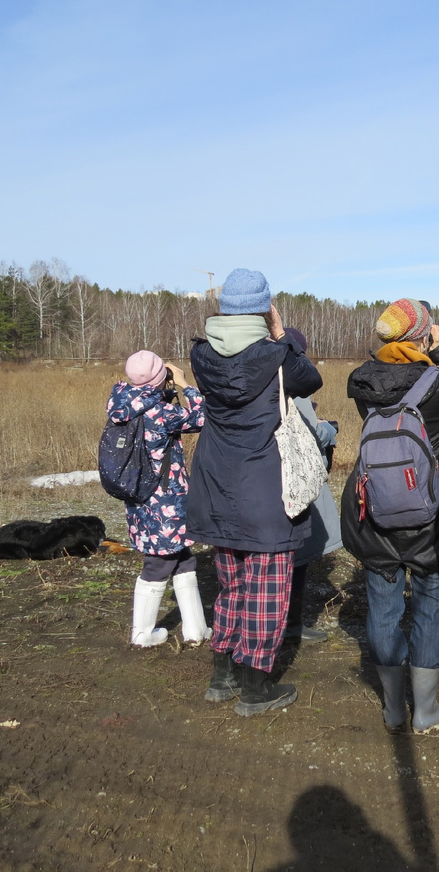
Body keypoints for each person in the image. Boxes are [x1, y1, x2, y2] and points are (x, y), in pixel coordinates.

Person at [186, 269, 323, 716]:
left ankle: (220, 678)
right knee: (267, 591)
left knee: (231, 586)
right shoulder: (278, 355)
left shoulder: (202, 355)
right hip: (265, 486)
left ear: (223, 307)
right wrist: (282, 333)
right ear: (264, 307)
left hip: (216, 484)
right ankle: (255, 688)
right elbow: (310, 380)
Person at [341, 298, 439, 734]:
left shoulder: (362, 381)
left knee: (382, 605)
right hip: (431, 515)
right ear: (422, 334)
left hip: (375, 508)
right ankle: (426, 710)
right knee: (432, 603)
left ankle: (394, 707)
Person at [106, 350, 210, 648]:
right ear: (159, 378)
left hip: (139, 495)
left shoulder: (121, 404)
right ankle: (142, 634)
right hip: (166, 497)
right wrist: (184, 384)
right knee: (159, 562)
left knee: (183, 558)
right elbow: (203, 417)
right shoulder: (161, 412)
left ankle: (195, 629)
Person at [283, 326, 343, 643]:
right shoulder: (296, 384)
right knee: (298, 557)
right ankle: (291, 626)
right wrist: (330, 431)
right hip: (297, 482)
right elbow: (309, 434)